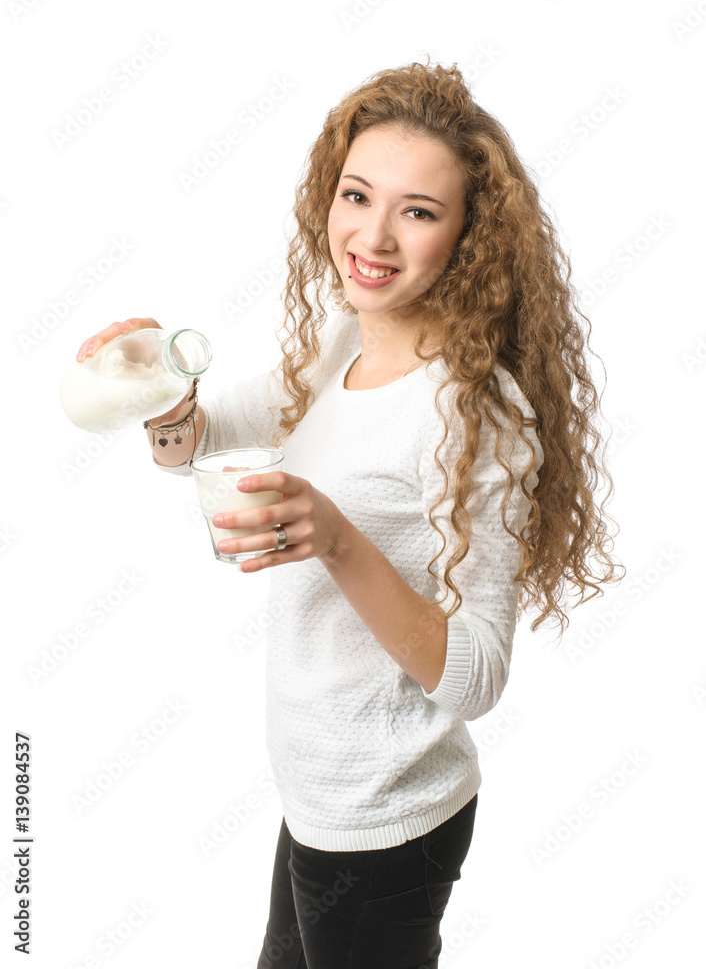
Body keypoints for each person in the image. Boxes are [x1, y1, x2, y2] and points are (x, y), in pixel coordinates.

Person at [74, 59, 622, 968]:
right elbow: (200, 439)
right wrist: (155, 389)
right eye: (357, 194)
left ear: (470, 237)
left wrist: (333, 537)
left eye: (417, 210)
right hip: (318, 797)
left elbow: (477, 678)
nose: (372, 235)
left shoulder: (474, 414)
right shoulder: (338, 343)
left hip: (389, 821)